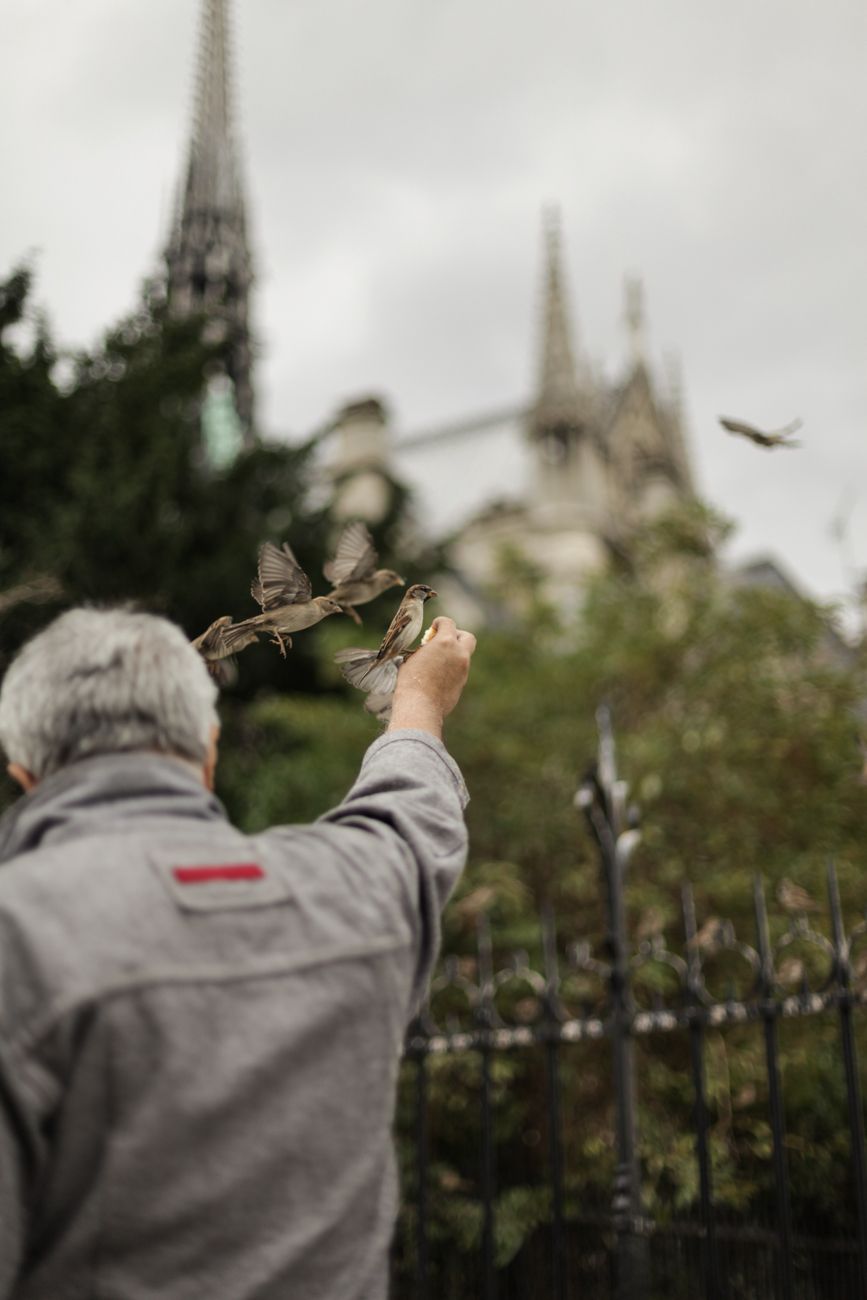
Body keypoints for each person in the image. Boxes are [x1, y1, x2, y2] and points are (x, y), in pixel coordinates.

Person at [0, 606, 476, 1300]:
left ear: (24, 776)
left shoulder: (19, 934)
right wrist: (419, 701)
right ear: (209, 753)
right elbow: (412, 811)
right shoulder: (353, 892)